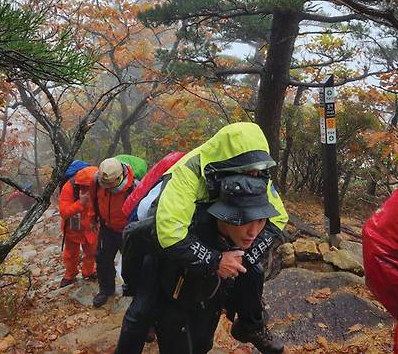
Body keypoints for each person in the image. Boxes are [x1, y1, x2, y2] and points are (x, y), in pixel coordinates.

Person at [116, 122, 288, 354]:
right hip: (157, 238)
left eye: (259, 169)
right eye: (250, 171)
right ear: (229, 164)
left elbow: (278, 219)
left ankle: (250, 324)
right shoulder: (190, 171)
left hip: (210, 235)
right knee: (141, 311)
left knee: (250, 269)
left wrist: (243, 255)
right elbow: (169, 233)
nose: (255, 176)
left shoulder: (254, 169)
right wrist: (215, 260)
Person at [91, 157, 136, 307]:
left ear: (119, 177)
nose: (107, 187)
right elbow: (94, 201)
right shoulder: (98, 183)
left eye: (110, 184)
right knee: (102, 259)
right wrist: (93, 219)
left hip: (128, 231)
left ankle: (133, 290)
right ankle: (106, 290)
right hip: (107, 228)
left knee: (131, 263)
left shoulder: (134, 187)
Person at [58, 165, 98, 287]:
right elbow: (64, 212)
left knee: (91, 251)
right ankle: (70, 274)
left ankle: (89, 272)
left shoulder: (100, 186)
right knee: (71, 254)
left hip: (91, 226)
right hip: (72, 227)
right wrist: (81, 203)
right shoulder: (69, 188)